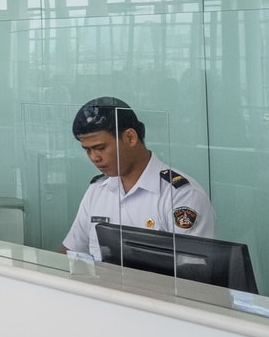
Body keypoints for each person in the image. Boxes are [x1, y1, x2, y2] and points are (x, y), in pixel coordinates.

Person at [60, 96, 216, 259]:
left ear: (130, 138)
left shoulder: (181, 196)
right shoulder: (97, 191)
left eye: (100, 148)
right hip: (99, 284)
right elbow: (71, 252)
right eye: (87, 150)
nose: (94, 157)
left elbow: (193, 273)